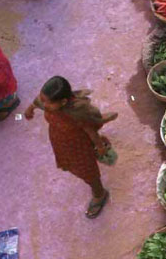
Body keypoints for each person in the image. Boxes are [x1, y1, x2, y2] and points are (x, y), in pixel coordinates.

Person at [24, 76, 117, 218]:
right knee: (73, 166)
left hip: (79, 147)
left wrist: (99, 146)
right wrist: (30, 108)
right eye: (43, 100)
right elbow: (38, 102)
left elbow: (90, 131)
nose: (44, 105)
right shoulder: (49, 104)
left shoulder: (76, 113)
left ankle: (100, 194)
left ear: (63, 102)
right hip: (61, 143)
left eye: (47, 102)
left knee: (88, 172)